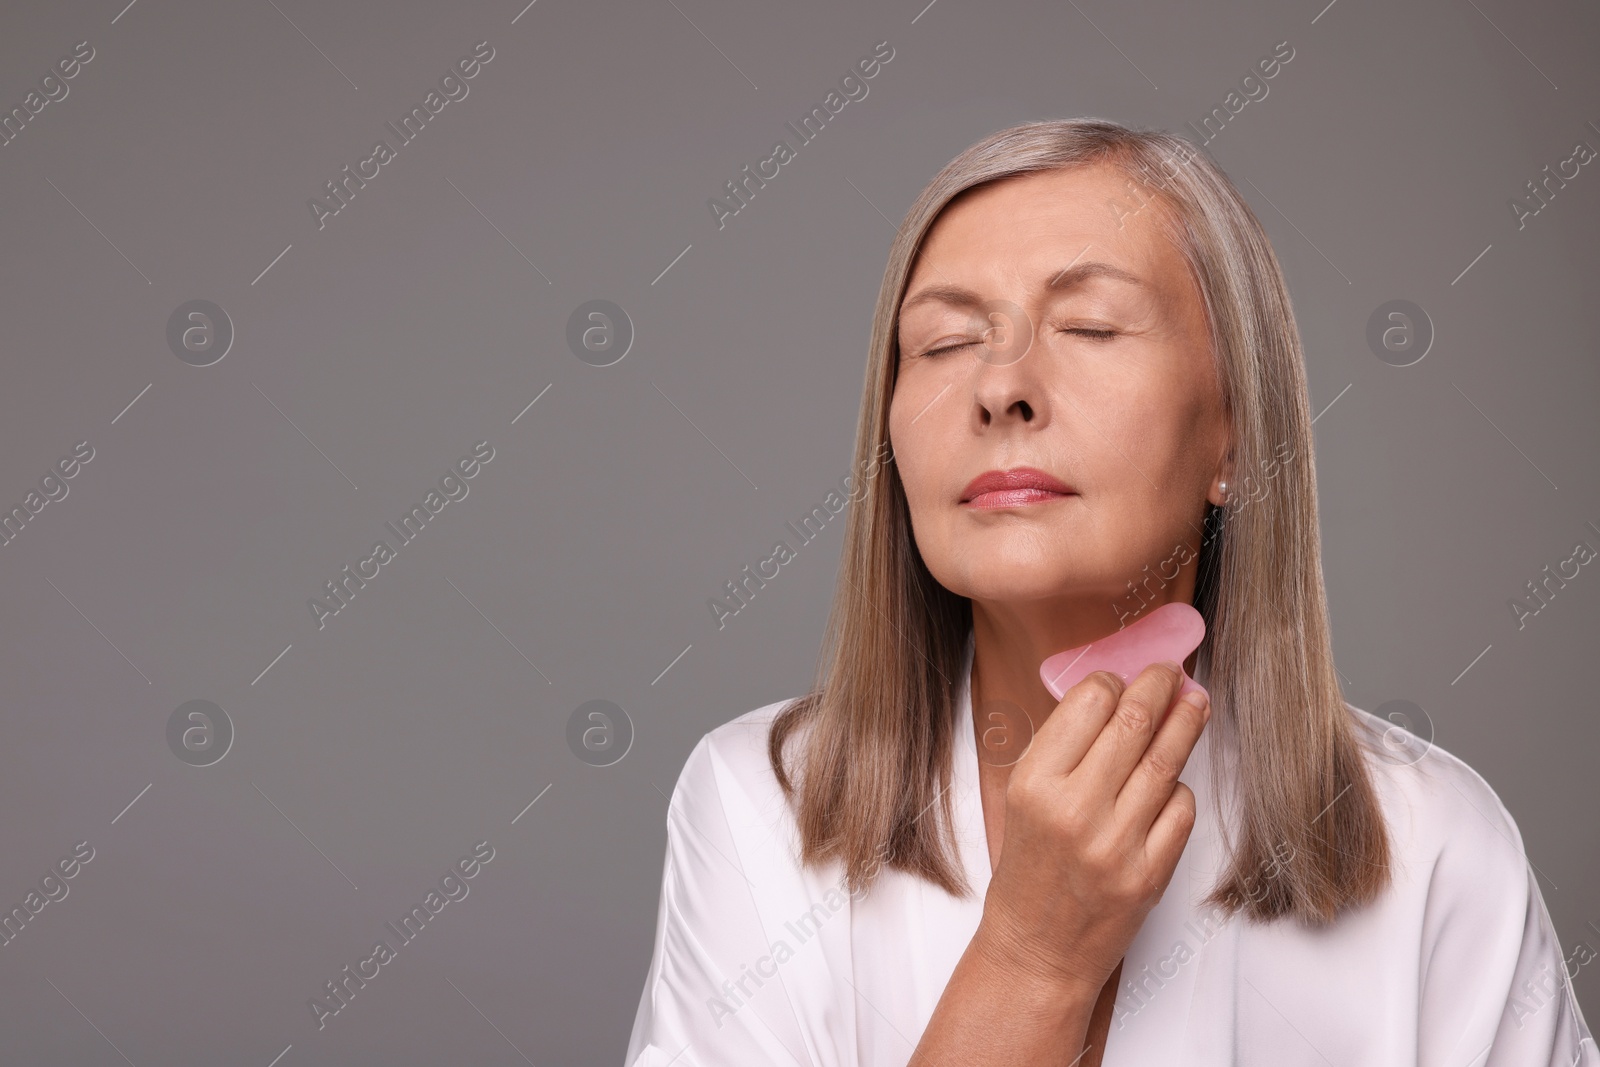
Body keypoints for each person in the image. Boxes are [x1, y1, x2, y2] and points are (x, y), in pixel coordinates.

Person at [623, 118, 1598, 1066]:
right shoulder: (756, 800)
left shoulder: (1432, 839)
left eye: (1087, 324)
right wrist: (1029, 962)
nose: (1000, 386)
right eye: (944, 341)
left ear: (1234, 432)